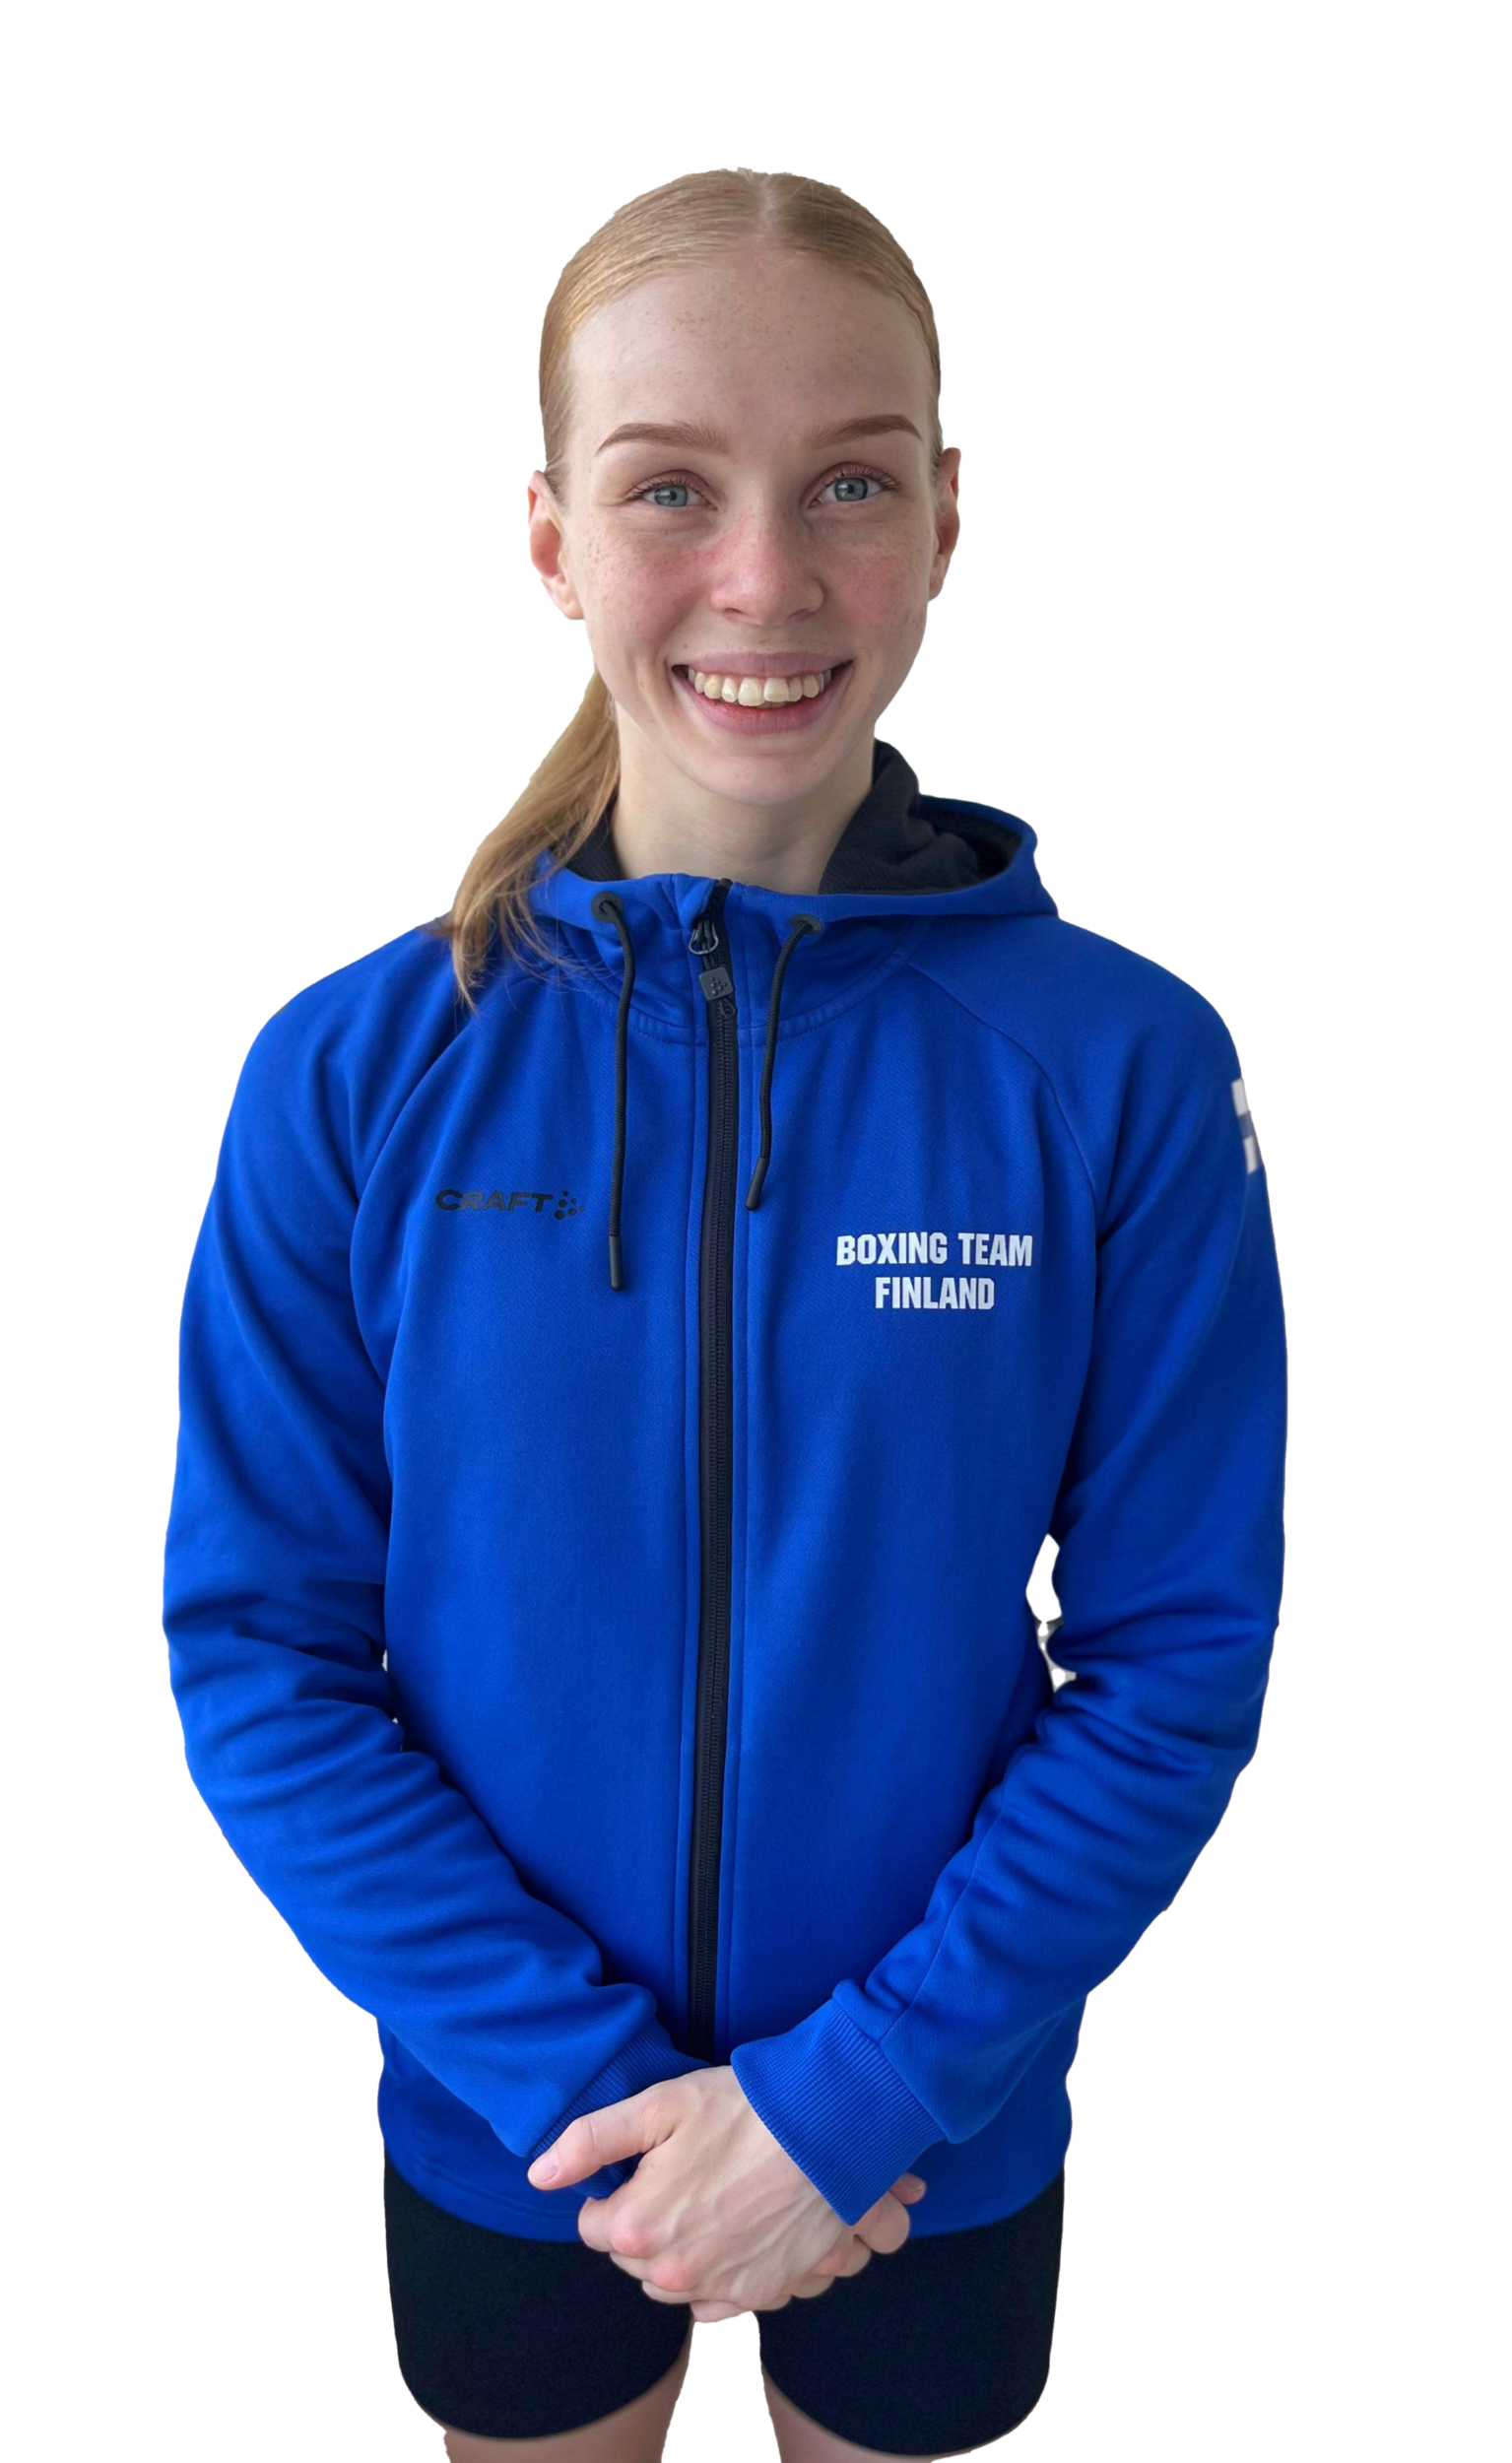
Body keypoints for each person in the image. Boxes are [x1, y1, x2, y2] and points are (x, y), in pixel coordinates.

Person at [161, 166, 1287, 2463]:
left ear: (946, 515)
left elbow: (1176, 1654)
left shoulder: (1121, 1067)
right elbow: (260, 1653)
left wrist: (847, 2098)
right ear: (551, 539)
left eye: (846, 482)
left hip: (932, 2135)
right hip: (514, 2126)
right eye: (670, 486)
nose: (764, 578)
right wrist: (600, 2101)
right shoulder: (348, 1070)